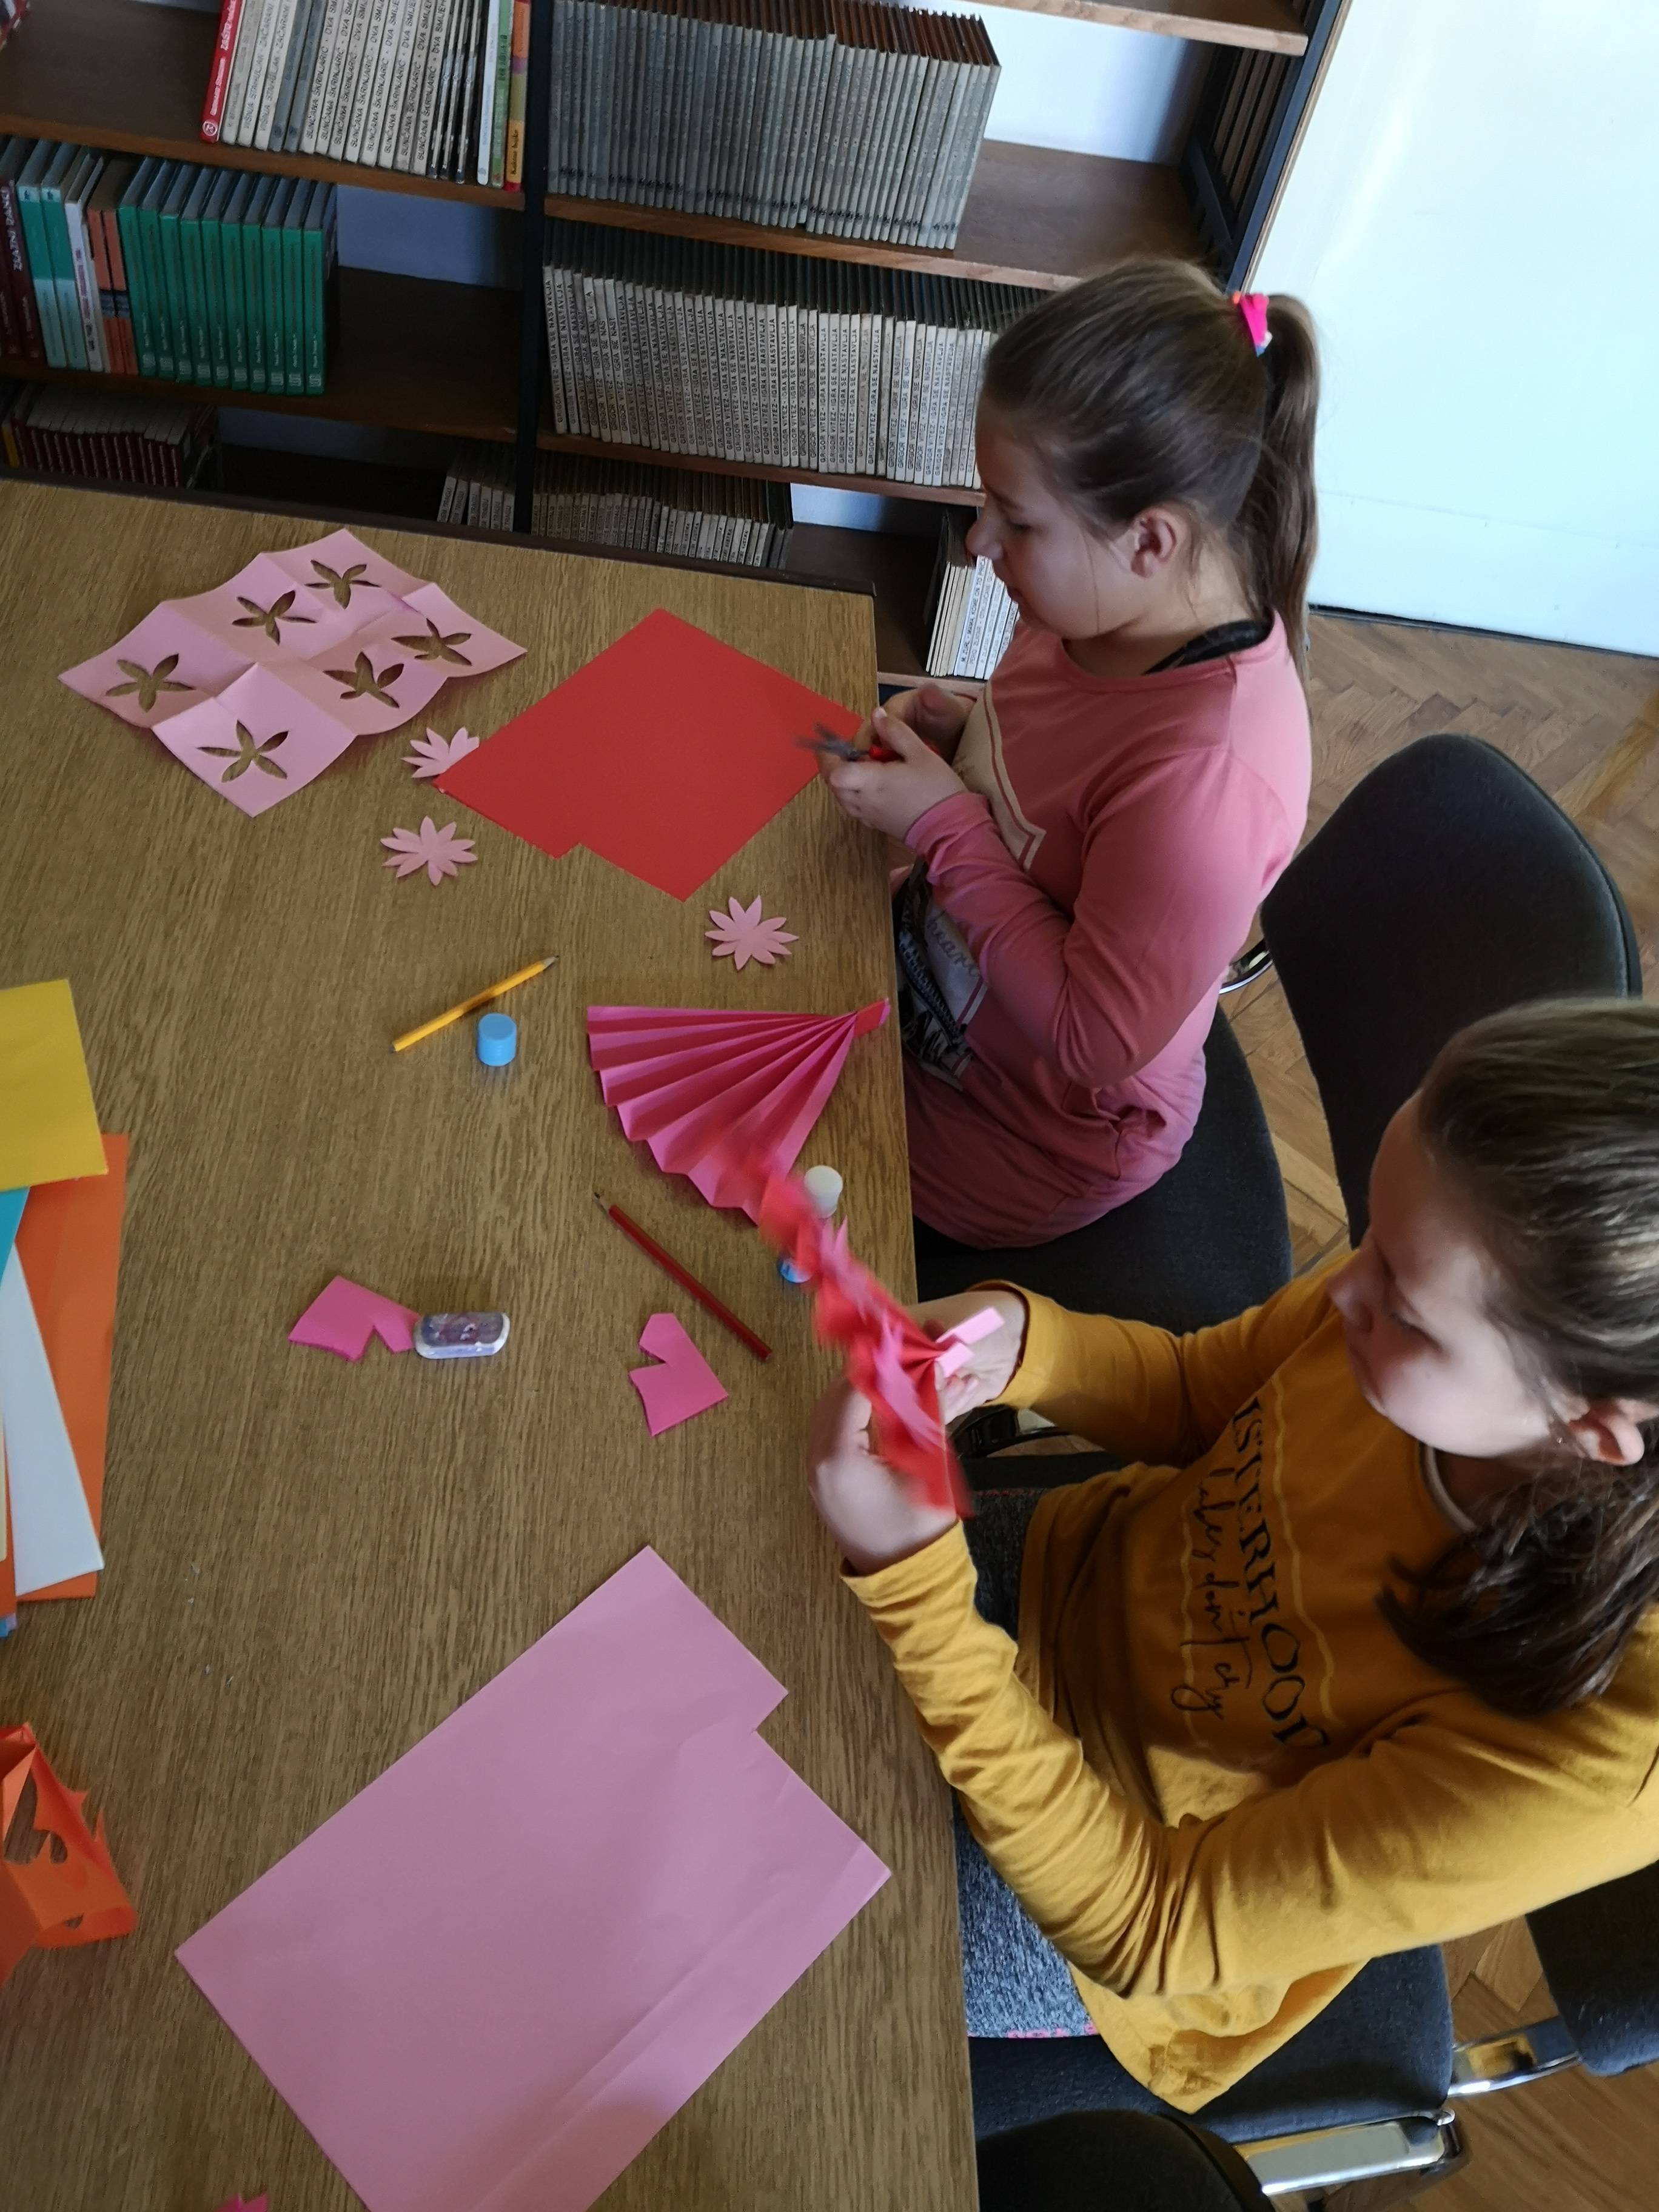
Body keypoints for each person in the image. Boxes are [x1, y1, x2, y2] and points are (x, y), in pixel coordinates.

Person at [806, 999, 1659, 2112]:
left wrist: (919, 1598)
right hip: (1068, 1578)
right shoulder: (1420, 1290)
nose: (1341, 1293)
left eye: (1402, 1306)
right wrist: (1026, 1343)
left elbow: (1152, 1924)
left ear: (1589, 1433)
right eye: (1369, 1238)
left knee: (734, 1899)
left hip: (1101, 1882)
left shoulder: (1607, 1746)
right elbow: (1205, 1393)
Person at [819, 260, 1318, 1251]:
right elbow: (1065, 772)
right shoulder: (1085, 607)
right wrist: (967, 736)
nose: (978, 542)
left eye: (1017, 519)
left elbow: (1093, 1039)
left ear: (1150, 542)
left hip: (1026, 1131)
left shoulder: (1208, 783)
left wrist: (943, 823)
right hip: (930, 983)